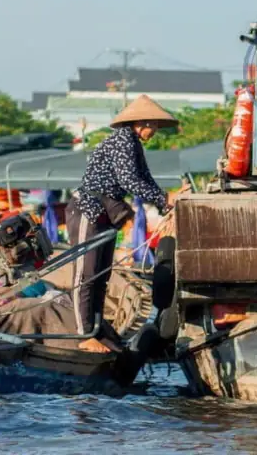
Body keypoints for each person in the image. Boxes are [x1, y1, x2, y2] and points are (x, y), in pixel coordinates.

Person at [66, 94, 178, 353]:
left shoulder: (134, 144)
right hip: (88, 209)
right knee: (86, 275)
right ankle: (83, 335)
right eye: (154, 126)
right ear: (142, 122)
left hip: (106, 213)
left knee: (102, 275)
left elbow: (145, 178)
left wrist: (165, 204)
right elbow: (129, 180)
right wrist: (162, 198)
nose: (155, 131)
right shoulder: (122, 140)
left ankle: (97, 329)